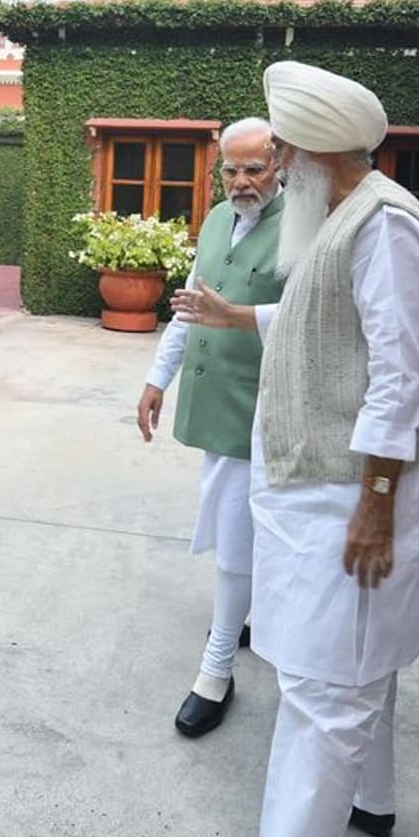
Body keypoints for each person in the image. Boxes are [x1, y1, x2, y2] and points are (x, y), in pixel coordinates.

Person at [173, 60, 419, 837]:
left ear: (318, 151)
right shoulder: (341, 215)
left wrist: (376, 505)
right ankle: (374, 800)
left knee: (325, 697)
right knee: (362, 671)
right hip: (322, 493)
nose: (279, 167)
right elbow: (316, 316)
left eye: (285, 151)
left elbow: (401, 376)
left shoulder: (383, 224)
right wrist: (234, 314)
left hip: (349, 500)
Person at [137, 117, 283, 737]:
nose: (242, 181)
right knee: (240, 525)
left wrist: (239, 316)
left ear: (280, 166)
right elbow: (190, 308)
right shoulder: (219, 220)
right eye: (231, 169)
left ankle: (216, 671)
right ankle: (248, 617)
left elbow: (315, 315)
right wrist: (156, 379)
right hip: (213, 401)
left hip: (262, 408)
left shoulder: (302, 226)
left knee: (237, 535)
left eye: (255, 168)